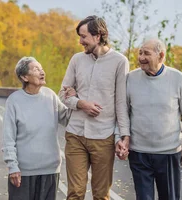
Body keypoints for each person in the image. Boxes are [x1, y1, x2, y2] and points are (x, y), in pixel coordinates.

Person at [59, 15, 130, 200]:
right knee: (75, 193)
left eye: (84, 37)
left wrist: (124, 136)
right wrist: (81, 103)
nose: (80, 41)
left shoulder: (119, 62)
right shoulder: (76, 60)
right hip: (75, 134)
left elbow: (121, 103)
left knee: (101, 195)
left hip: (103, 137)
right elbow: (62, 94)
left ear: (98, 36)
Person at [126, 38, 182, 200]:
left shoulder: (178, 79)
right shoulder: (130, 79)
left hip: (169, 153)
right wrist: (121, 137)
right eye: (140, 52)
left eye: (146, 53)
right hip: (139, 153)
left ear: (161, 55)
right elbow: (123, 113)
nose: (141, 57)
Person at [2, 56, 71, 200]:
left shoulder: (50, 96)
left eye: (41, 68)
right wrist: (12, 166)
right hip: (23, 172)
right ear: (24, 77)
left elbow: (68, 119)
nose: (42, 72)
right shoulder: (14, 101)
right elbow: (8, 138)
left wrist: (72, 100)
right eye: (36, 69)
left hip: (50, 169)